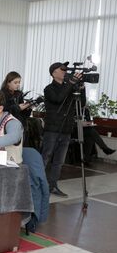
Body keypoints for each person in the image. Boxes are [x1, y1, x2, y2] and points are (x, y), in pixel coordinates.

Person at [41, 62, 83, 198]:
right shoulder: (49, 89)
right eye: (62, 69)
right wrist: (71, 83)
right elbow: (58, 99)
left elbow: (81, 103)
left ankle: (52, 186)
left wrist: (81, 88)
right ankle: (38, 185)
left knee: (59, 161)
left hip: (66, 129)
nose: (65, 71)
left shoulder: (69, 87)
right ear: (54, 73)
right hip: (52, 130)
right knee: (45, 158)